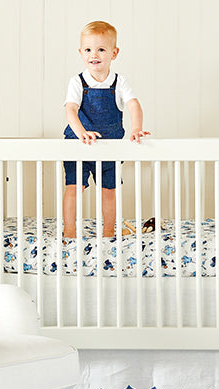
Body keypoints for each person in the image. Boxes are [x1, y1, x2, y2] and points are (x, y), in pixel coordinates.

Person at [63, 21, 150, 238]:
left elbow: (133, 104)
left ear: (114, 53)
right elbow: (71, 110)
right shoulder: (77, 82)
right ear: (81, 52)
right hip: (78, 144)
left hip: (109, 148)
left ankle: (109, 231)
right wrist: (81, 132)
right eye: (88, 49)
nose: (95, 54)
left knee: (109, 191)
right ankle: (70, 230)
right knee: (74, 187)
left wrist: (136, 128)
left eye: (101, 49)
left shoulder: (119, 82)